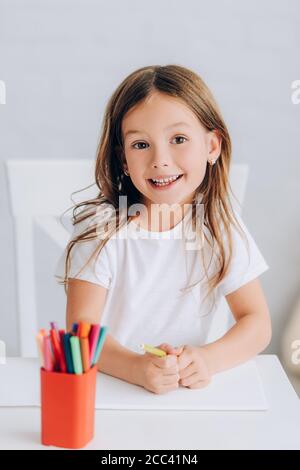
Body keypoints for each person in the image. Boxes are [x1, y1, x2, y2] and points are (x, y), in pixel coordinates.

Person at [55, 64, 271, 395]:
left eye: (179, 139)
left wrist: (209, 360)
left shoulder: (220, 226)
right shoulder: (101, 229)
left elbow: (256, 323)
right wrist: (135, 368)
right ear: (123, 158)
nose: (160, 159)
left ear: (212, 146)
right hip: (107, 391)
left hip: (183, 397)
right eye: (141, 145)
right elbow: (81, 331)